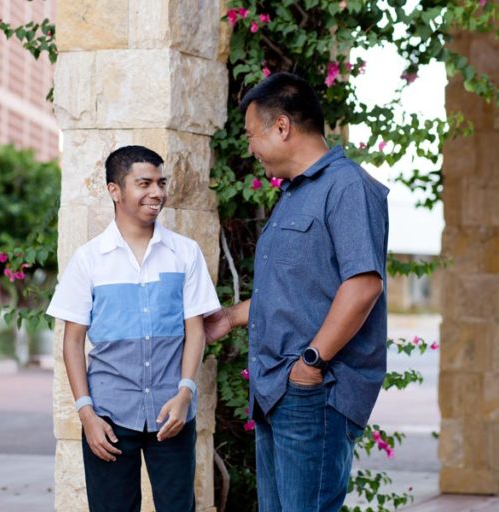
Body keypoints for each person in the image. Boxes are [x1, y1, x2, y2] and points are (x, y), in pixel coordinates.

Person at [205, 72, 390, 511]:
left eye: (253, 134)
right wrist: (230, 318)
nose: (250, 147)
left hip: (314, 391)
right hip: (278, 392)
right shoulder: (295, 194)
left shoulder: (347, 187)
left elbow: (364, 284)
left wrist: (311, 363)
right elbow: (296, 291)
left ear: (282, 127)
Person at [47, 145, 220, 512]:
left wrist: (186, 392)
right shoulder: (89, 260)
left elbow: (196, 330)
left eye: (161, 182)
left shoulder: (185, 253)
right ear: (115, 190)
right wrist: (86, 414)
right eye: (144, 183)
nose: (157, 192)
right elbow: (72, 342)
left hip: (171, 413)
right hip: (109, 417)